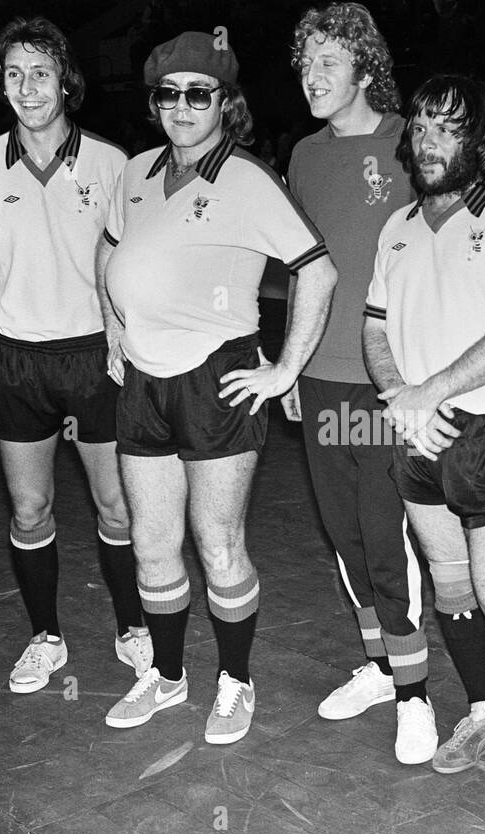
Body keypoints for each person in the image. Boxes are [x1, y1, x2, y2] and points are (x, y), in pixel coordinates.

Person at [96, 32, 338, 745]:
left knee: (218, 542)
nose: (181, 106)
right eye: (168, 94)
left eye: (198, 93)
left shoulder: (249, 179)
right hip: (142, 377)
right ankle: (167, 678)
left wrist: (286, 368)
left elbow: (315, 269)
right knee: (152, 543)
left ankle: (236, 681)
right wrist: (113, 323)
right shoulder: (137, 172)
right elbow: (109, 248)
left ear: (225, 103)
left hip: (216, 377)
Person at [363, 75, 485, 811]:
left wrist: (427, 391)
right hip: (418, 428)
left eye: (448, 128)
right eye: (420, 127)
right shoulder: (398, 225)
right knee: (450, 583)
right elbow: (375, 326)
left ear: (481, 139)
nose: (428, 142)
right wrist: (402, 399)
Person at [0, 17, 144, 698]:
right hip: (17, 361)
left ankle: (133, 628)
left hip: (96, 355)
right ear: (1, 85)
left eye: (40, 72)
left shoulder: (112, 163)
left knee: (116, 504)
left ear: (65, 79)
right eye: (13, 73)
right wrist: (20, 306)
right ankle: (46, 637)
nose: (27, 87)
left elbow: (126, 257)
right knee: (30, 508)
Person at [285, 2, 434, 765]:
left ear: (366, 69)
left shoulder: (416, 140)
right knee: (343, 536)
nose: (312, 77)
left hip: (387, 382)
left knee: (386, 537)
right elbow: (296, 269)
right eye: (305, 63)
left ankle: (416, 694)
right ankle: (380, 667)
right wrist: (288, 361)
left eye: (329, 63)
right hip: (317, 379)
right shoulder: (303, 157)